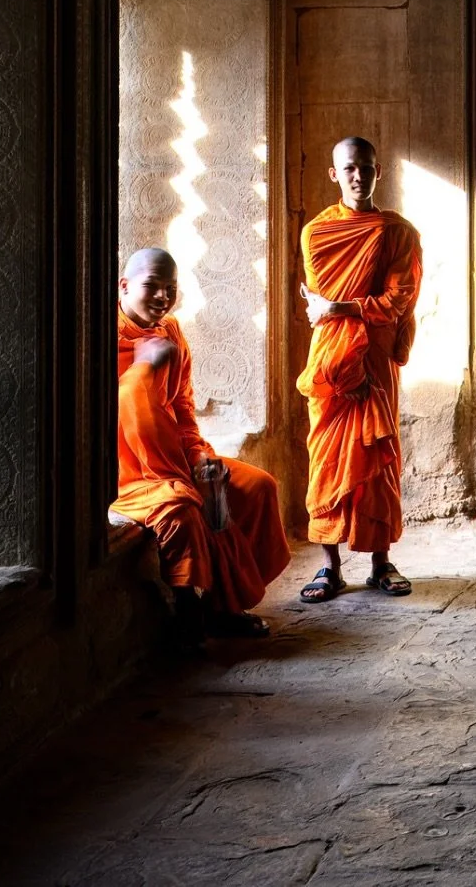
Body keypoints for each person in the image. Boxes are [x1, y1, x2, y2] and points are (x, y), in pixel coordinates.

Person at [112, 247, 291, 642]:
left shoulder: (171, 333)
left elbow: (182, 407)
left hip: (174, 457)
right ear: (124, 286)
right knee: (184, 510)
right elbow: (113, 407)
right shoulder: (101, 336)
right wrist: (144, 368)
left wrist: (200, 456)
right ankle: (192, 612)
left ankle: (224, 603)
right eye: (151, 286)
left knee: (257, 487)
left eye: (170, 288)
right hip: (127, 470)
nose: (162, 297)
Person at [297, 137, 422, 602]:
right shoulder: (317, 233)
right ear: (334, 174)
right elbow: (319, 305)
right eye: (349, 169)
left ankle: (381, 562)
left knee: (377, 461)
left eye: (366, 169)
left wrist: (341, 307)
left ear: (378, 171)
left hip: (376, 358)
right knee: (326, 460)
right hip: (332, 362)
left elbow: (396, 300)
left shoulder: (398, 232)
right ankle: (328, 567)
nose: (358, 177)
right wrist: (341, 310)